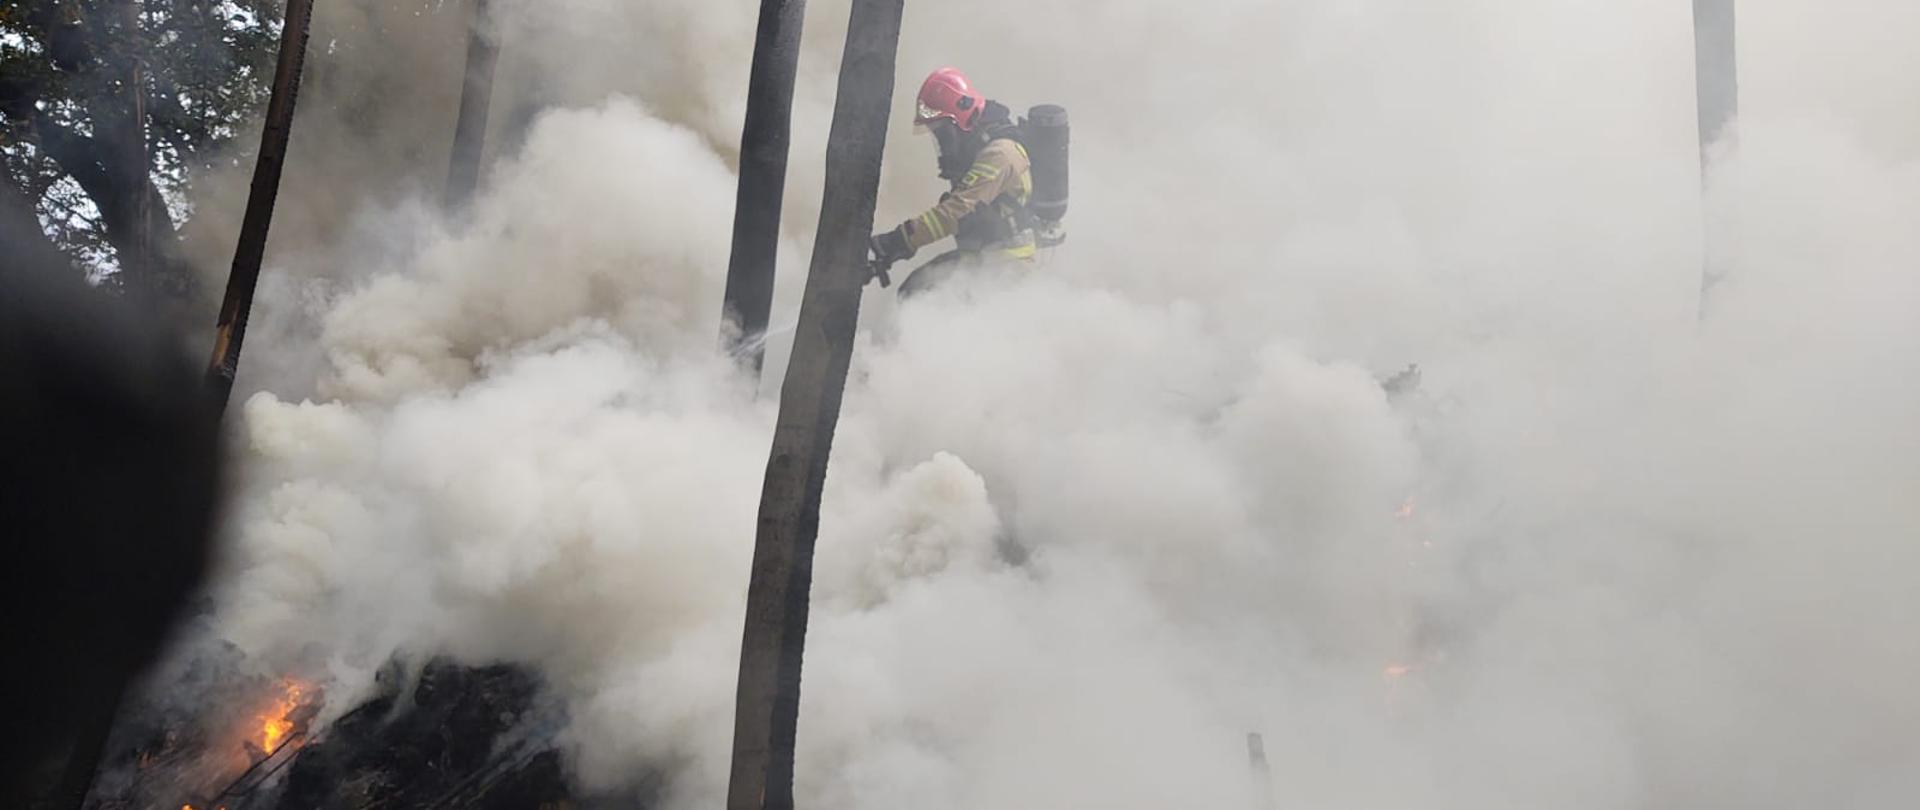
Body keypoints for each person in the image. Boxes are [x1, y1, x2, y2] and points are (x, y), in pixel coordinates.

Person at [869, 67, 1038, 297]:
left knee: (924, 302)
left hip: (1008, 266)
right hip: (980, 259)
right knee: (914, 290)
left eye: (943, 133)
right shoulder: (978, 150)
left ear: (963, 117)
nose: (941, 143)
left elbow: (957, 210)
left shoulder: (1000, 154)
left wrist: (899, 240)